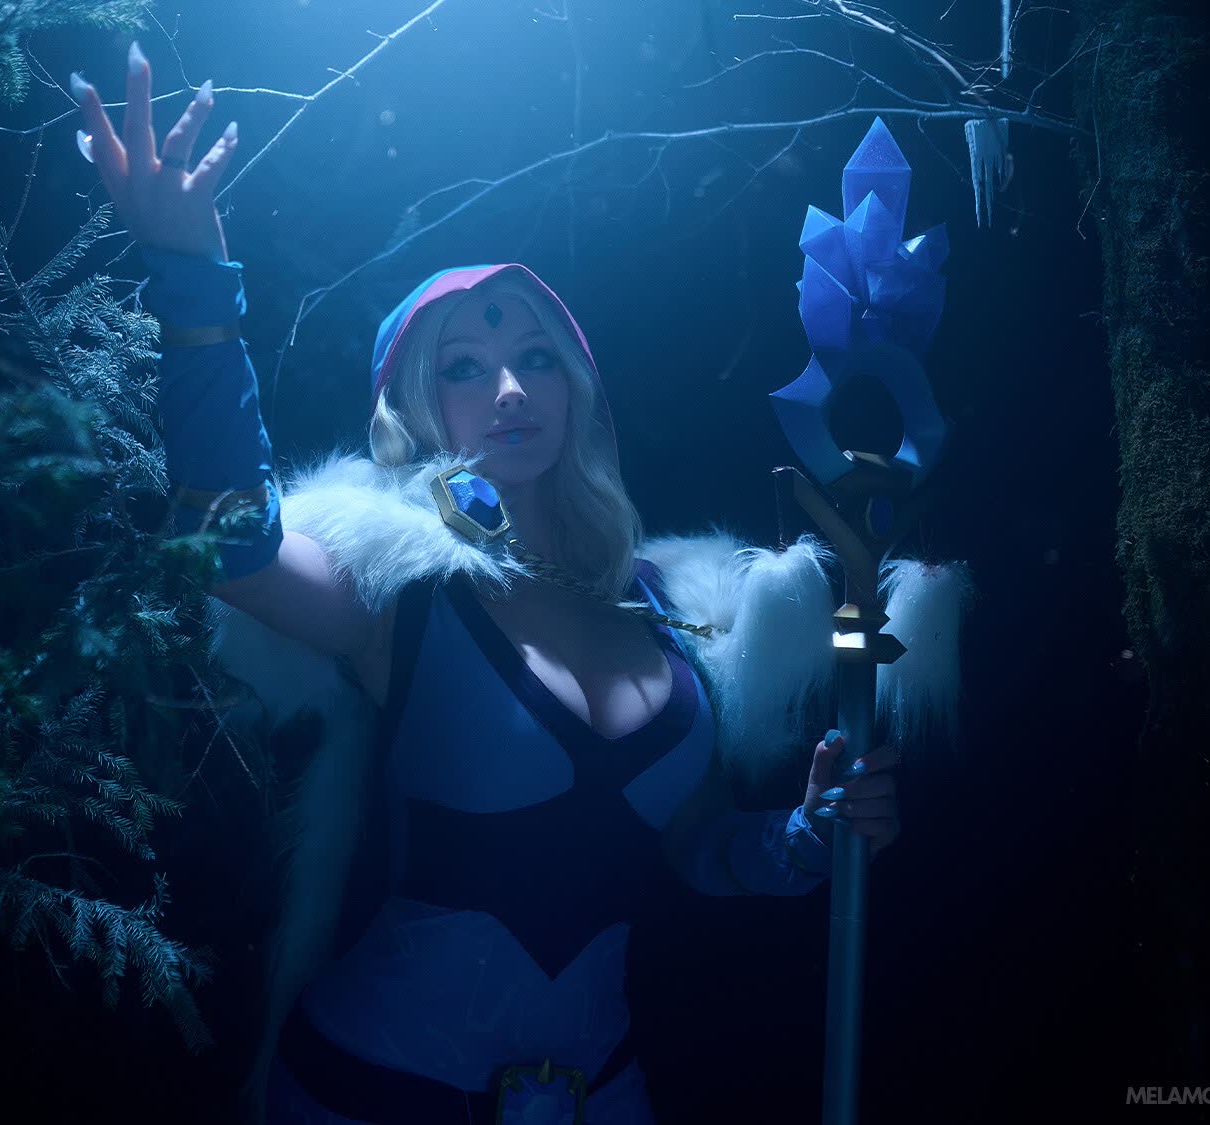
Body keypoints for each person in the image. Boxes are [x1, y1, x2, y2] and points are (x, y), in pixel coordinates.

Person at [74, 44, 906, 1125]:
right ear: (421, 408)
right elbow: (225, 541)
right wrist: (194, 269)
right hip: (369, 1097)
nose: (510, 388)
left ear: (577, 385)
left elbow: (692, 847)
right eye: (463, 365)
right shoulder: (404, 594)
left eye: (536, 356)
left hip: (606, 1100)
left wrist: (800, 839)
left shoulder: (672, 610)